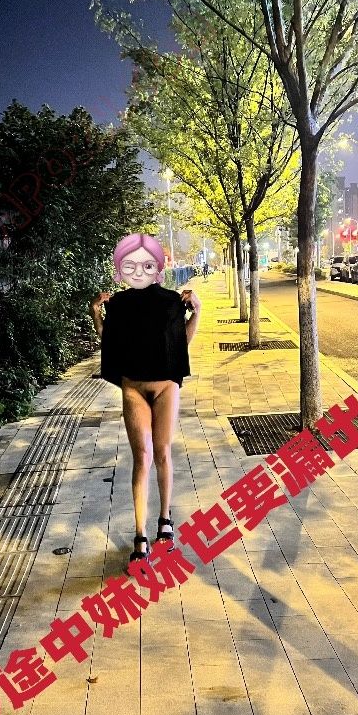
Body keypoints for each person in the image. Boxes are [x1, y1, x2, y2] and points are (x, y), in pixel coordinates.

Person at [89, 234, 201, 565]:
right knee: (142, 457)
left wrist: (196, 311)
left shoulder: (170, 301)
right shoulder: (120, 305)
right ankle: (140, 535)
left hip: (165, 386)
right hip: (133, 388)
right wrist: (96, 313)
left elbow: (181, 342)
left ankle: (165, 521)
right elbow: (109, 341)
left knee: (162, 453)